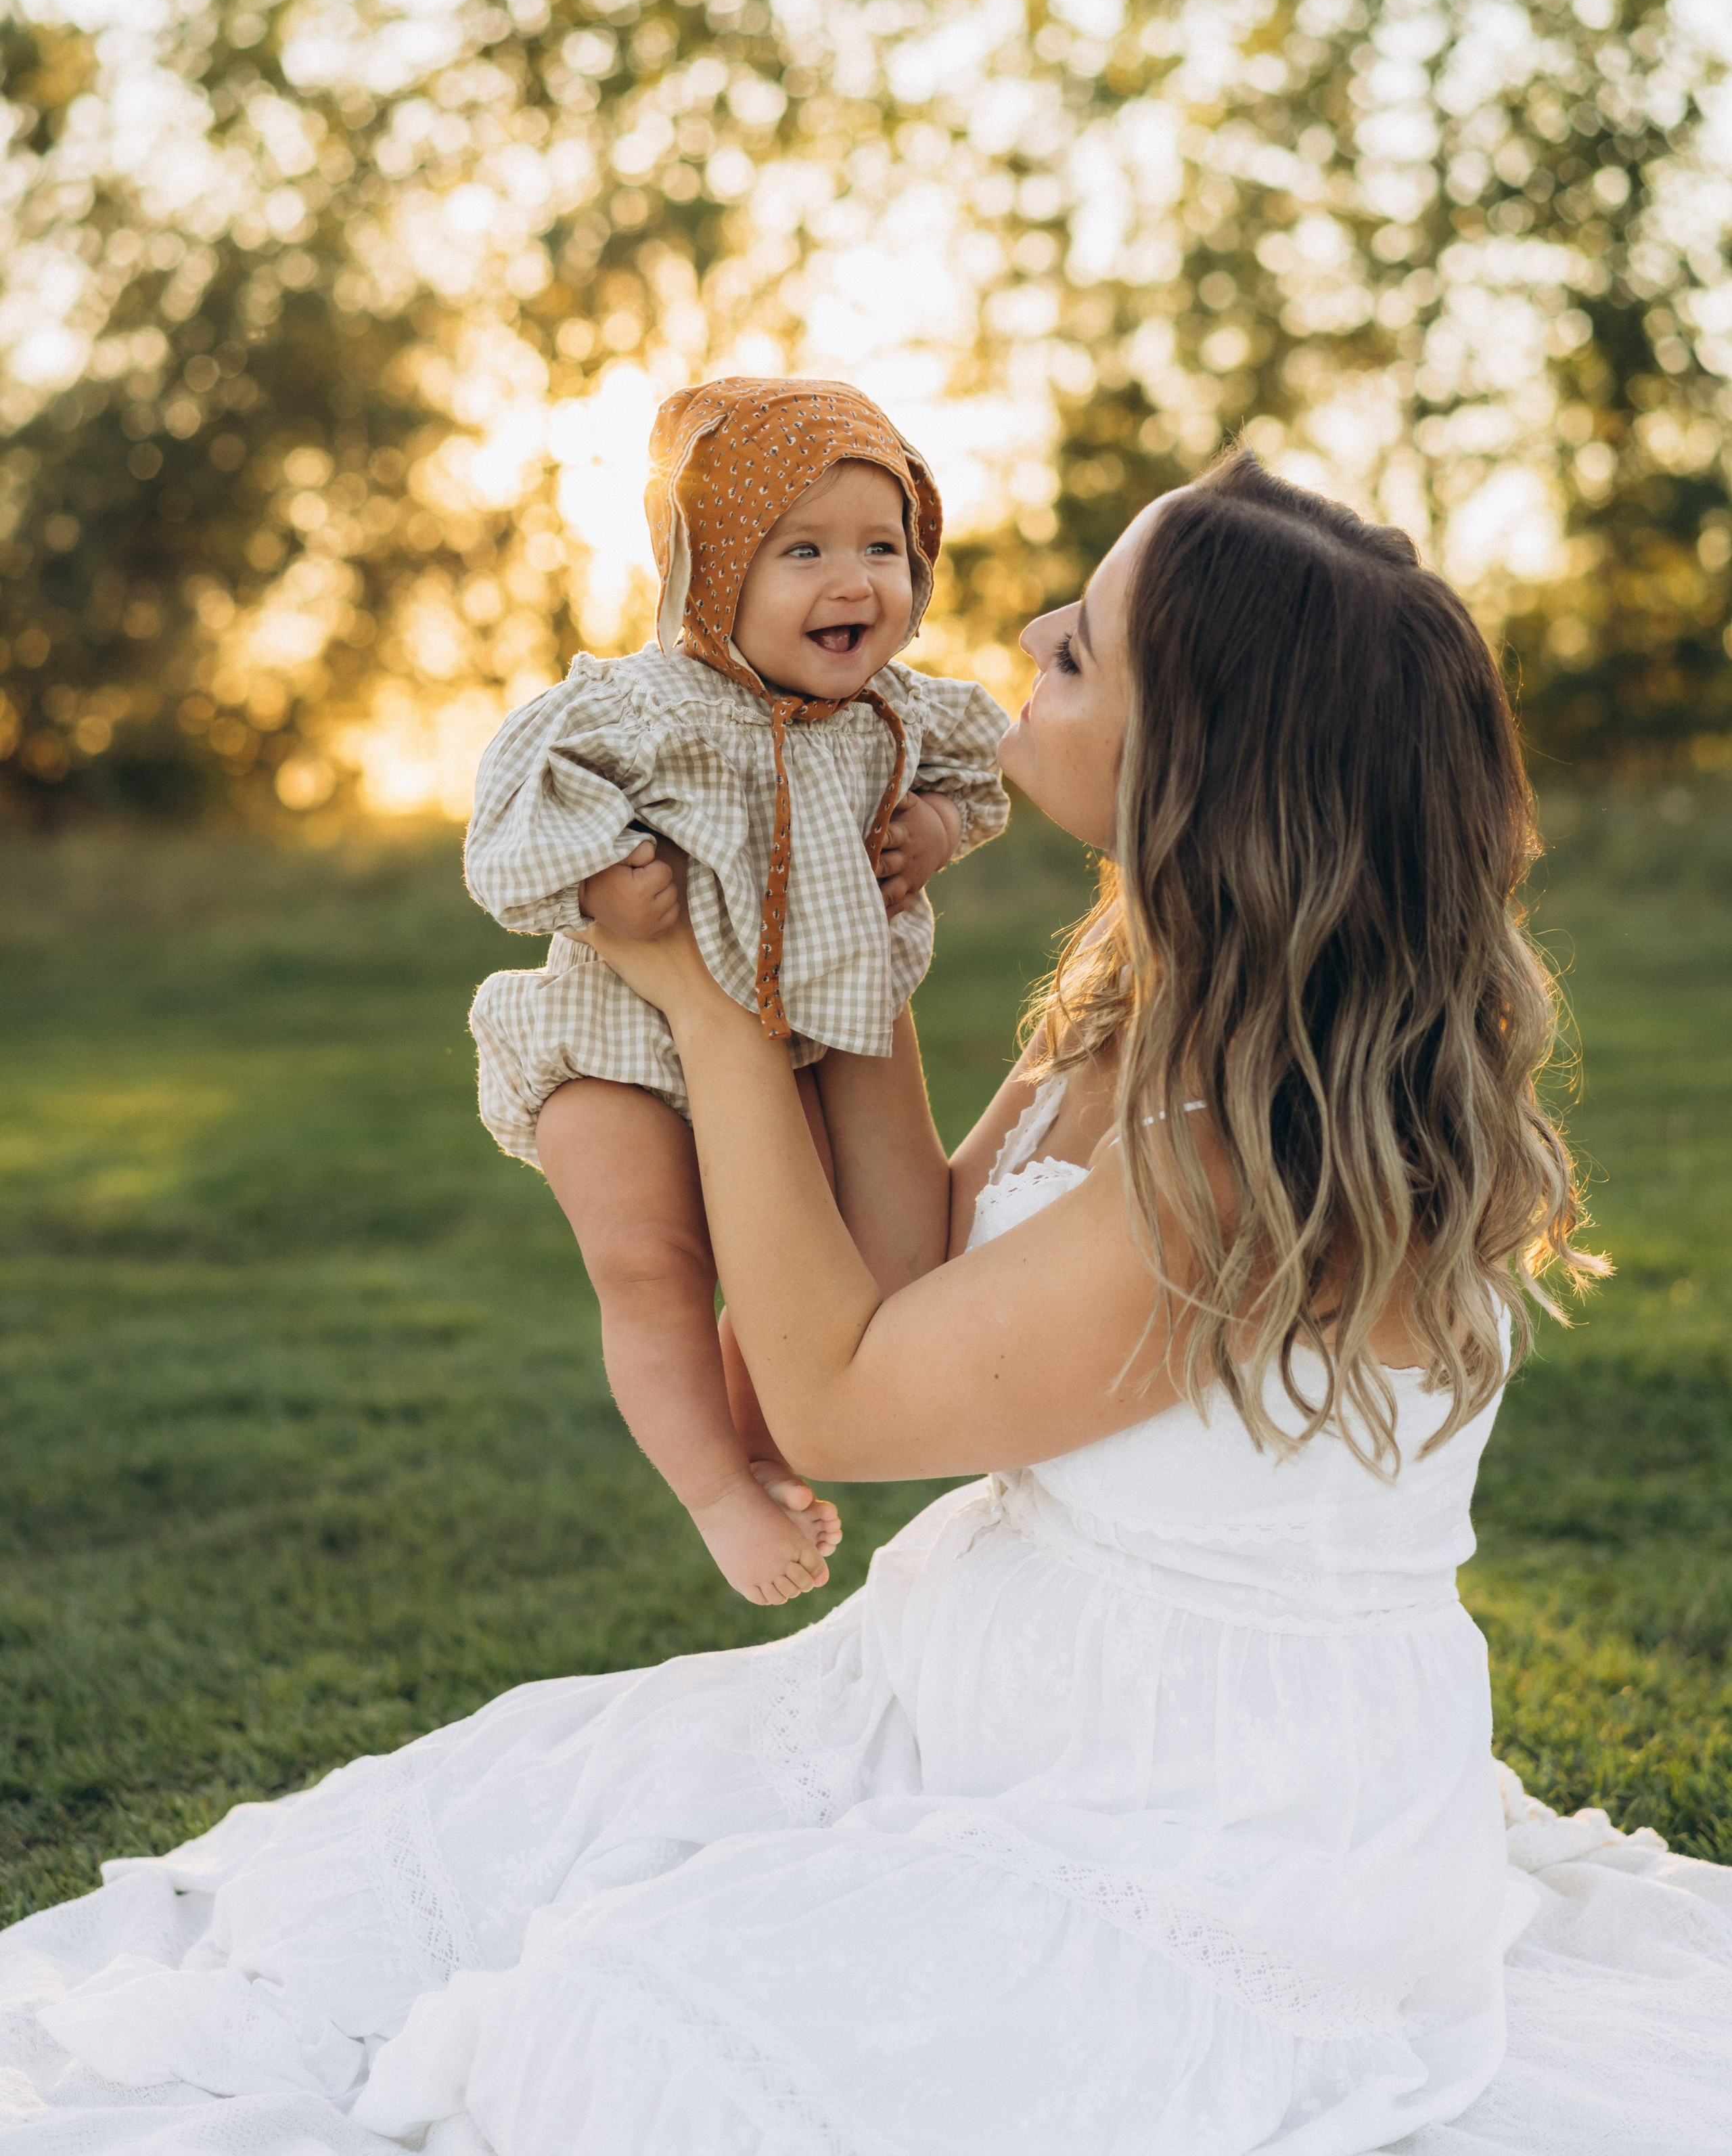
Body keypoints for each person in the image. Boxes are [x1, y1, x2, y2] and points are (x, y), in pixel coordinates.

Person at [5, 451, 1729, 2155]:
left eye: (1080, 651)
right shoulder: (1142, 1021)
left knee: (630, 2033)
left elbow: (824, 1406)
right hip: (978, 1688)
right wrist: (823, 922)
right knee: (462, 1858)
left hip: (1206, 1817)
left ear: (1190, 769)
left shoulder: (1248, 1168)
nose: (1031, 628)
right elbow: (884, 1297)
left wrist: (695, 993)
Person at [463, 376, 1008, 1602]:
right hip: (614, 1046)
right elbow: (510, 821)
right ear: (712, 574)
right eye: (800, 550)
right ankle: (715, 1494)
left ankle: (763, 1442)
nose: (853, 581)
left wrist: (931, 828)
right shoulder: (648, 705)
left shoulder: (893, 714)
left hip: (784, 1052)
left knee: (801, 1269)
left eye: (885, 546)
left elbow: (985, 778)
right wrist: (602, 884)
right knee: (651, 1262)